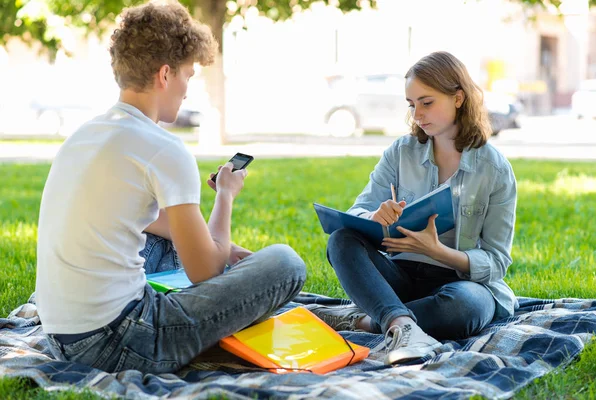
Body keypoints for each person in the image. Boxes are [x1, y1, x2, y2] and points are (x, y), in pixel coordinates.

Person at [35, 0, 306, 375]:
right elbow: (206, 273)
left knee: (174, 240)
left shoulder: (86, 134)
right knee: (285, 263)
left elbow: (140, 220)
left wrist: (224, 249)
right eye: (188, 76)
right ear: (165, 75)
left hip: (61, 336)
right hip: (122, 341)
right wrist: (225, 195)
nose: (186, 89)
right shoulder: (164, 147)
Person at [306, 51, 518, 365]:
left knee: (466, 308)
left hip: (460, 285)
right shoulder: (400, 152)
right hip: (399, 276)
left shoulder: (495, 169)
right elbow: (358, 211)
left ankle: (367, 320)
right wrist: (374, 216)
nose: (417, 114)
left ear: (458, 98)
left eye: (426, 102)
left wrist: (438, 251)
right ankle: (401, 324)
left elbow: (497, 261)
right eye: (411, 104)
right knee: (341, 240)